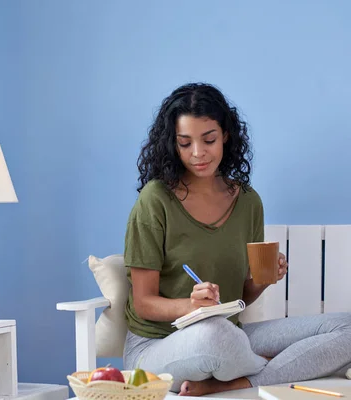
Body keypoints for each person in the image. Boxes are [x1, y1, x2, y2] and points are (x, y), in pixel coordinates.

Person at [122, 82, 351, 396]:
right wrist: (190, 307)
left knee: (347, 327)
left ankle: (237, 381)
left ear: (225, 136)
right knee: (214, 333)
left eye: (209, 140)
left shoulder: (247, 201)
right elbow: (143, 303)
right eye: (185, 143)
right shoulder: (155, 200)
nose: (198, 153)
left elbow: (242, 294)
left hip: (232, 335)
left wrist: (264, 278)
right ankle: (276, 365)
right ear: (172, 144)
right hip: (157, 347)